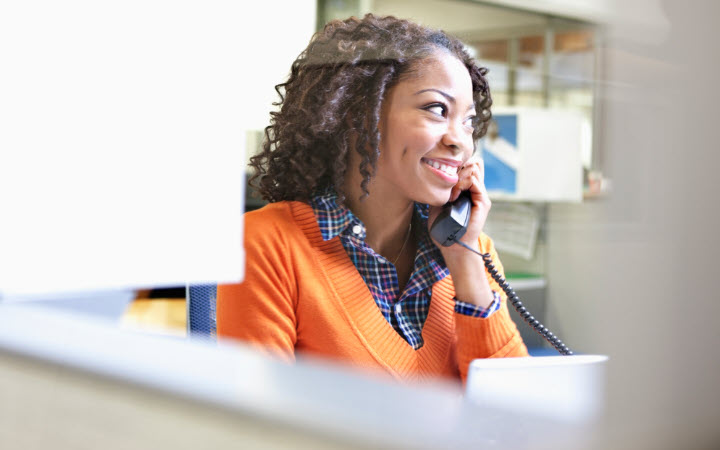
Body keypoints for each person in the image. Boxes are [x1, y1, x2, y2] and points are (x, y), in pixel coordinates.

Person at [217, 14, 528, 384]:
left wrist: (464, 260)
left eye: (468, 121)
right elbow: (255, 426)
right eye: (437, 109)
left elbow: (515, 405)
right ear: (358, 115)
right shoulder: (269, 244)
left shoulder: (473, 251)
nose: (460, 140)